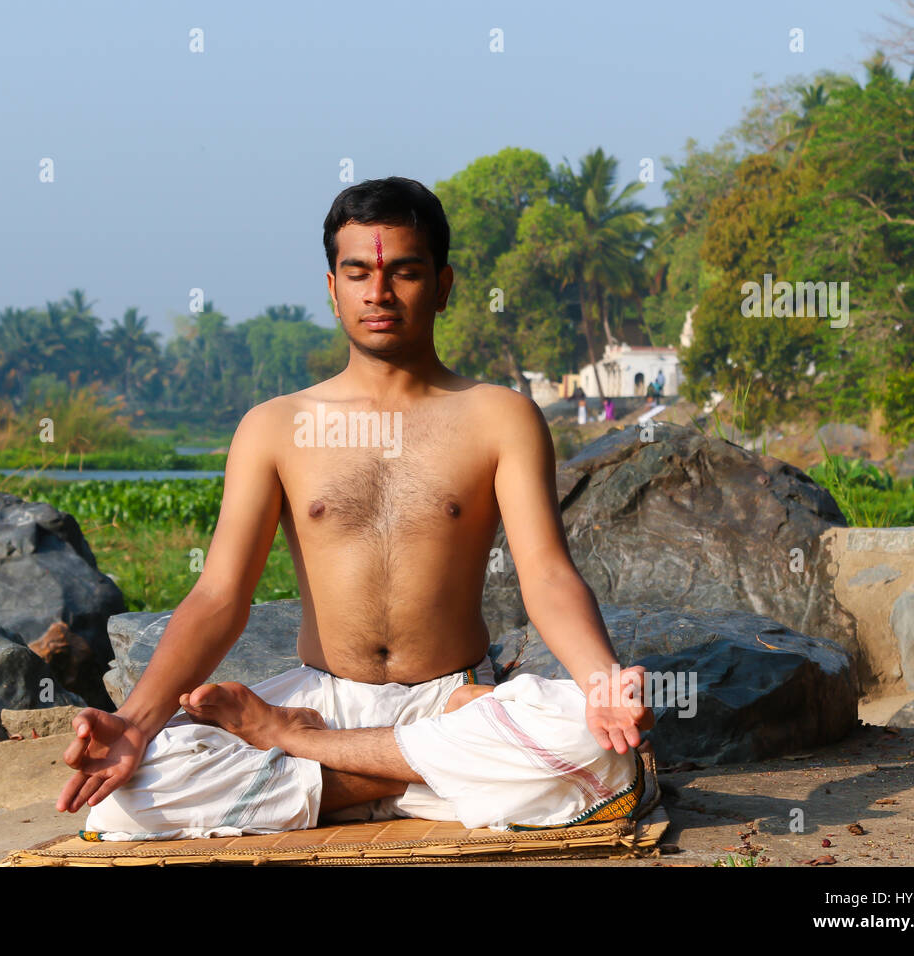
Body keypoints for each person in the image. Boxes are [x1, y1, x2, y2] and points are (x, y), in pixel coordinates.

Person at [57, 177, 654, 839]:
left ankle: (309, 756)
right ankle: (429, 779)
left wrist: (601, 683)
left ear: (444, 286)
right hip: (328, 696)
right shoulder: (274, 426)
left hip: (449, 694)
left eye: (405, 272)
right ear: (332, 288)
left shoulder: (500, 417)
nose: (379, 293)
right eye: (359, 273)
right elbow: (220, 595)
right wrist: (133, 725)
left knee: (595, 744)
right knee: (126, 798)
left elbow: (547, 576)